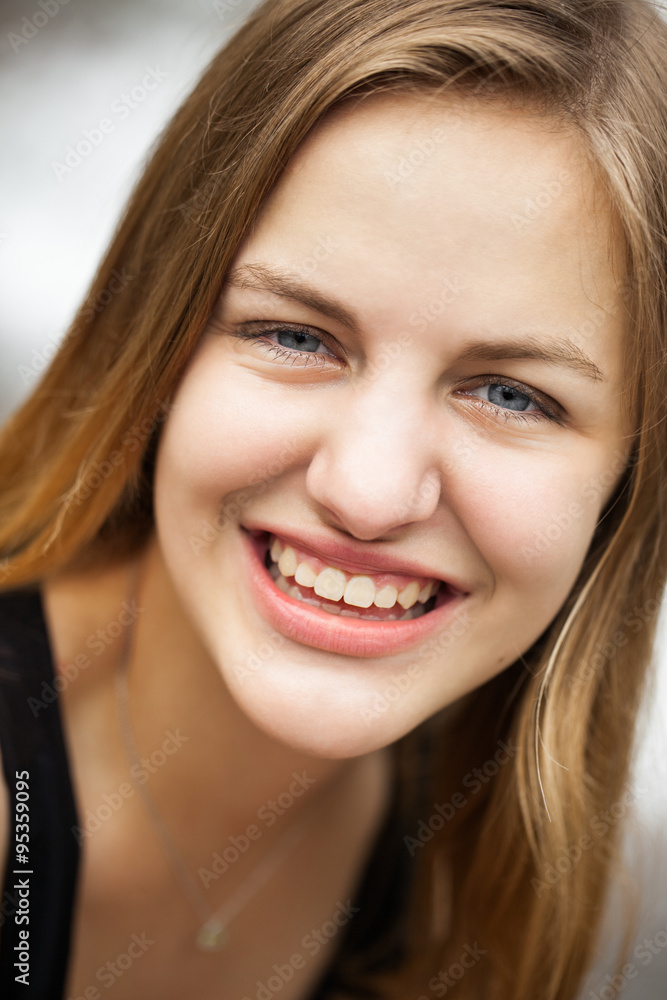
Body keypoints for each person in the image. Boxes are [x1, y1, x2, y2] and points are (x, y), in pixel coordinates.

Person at [1, 0, 666, 997]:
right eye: (296, 336)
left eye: (509, 394)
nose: (366, 490)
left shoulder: (479, 882)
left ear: (627, 480)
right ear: (157, 346)